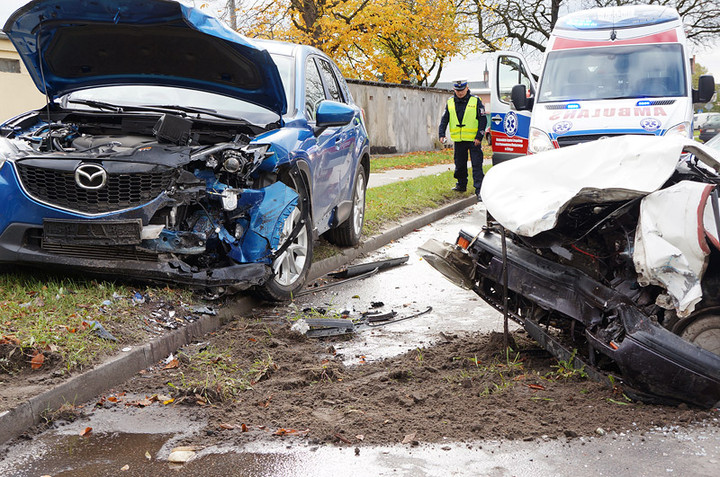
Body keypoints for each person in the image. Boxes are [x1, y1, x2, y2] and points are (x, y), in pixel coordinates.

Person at [439, 79, 488, 201]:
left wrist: (479, 137)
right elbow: (444, 120)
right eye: (458, 90)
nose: (460, 93)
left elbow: (483, 120)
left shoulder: (475, 101)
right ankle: (461, 185)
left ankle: (479, 190)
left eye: (462, 90)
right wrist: (441, 134)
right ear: (454, 90)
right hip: (459, 140)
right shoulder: (450, 102)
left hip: (473, 140)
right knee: (459, 165)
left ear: (467, 88)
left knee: (477, 165)